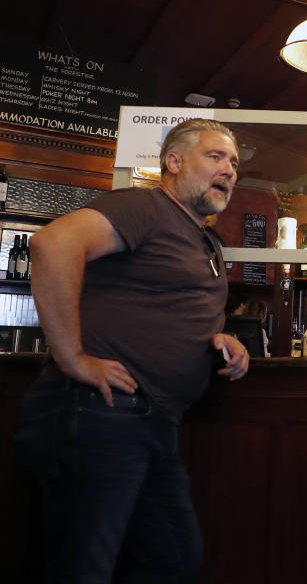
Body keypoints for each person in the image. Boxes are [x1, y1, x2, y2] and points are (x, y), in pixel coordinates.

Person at [15, 118, 250, 583]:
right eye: (216, 156)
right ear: (174, 162)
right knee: (84, 568)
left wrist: (218, 336)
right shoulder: (145, 206)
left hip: (152, 422)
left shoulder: (204, 239)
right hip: (103, 413)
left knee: (174, 558)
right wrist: (72, 358)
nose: (230, 170)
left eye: (235, 162)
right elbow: (53, 244)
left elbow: (167, 303)